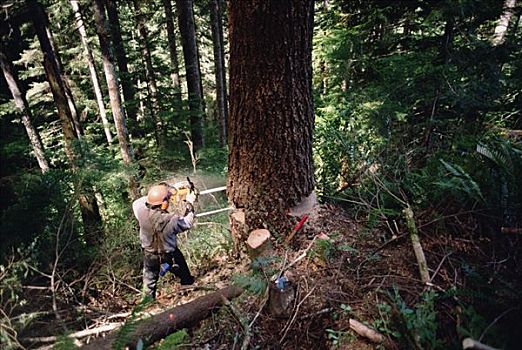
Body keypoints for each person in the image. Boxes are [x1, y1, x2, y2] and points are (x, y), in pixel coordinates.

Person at [132, 183, 197, 299]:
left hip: (150, 255)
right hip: (169, 255)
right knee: (183, 272)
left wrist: (162, 191)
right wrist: (190, 203)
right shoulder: (171, 220)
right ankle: (188, 289)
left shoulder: (141, 212)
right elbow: (187, 222)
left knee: (149, 282)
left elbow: (137, 202)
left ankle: (147, 304)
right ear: (164, 203)